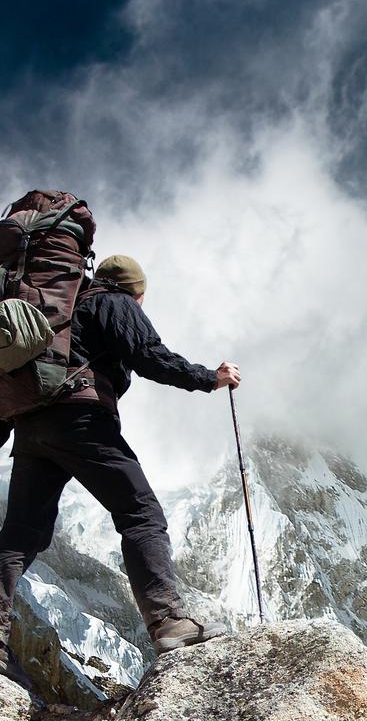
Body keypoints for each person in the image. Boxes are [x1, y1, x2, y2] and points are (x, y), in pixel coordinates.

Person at [0, 254, 241, 692]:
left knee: (20, 535)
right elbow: (150, 357)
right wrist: (210, 378)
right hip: (83, 422)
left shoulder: (57, 310)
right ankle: (167, 620)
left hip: (32, 428)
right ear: (138, 293)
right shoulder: (114, 302)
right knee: (140, 513)